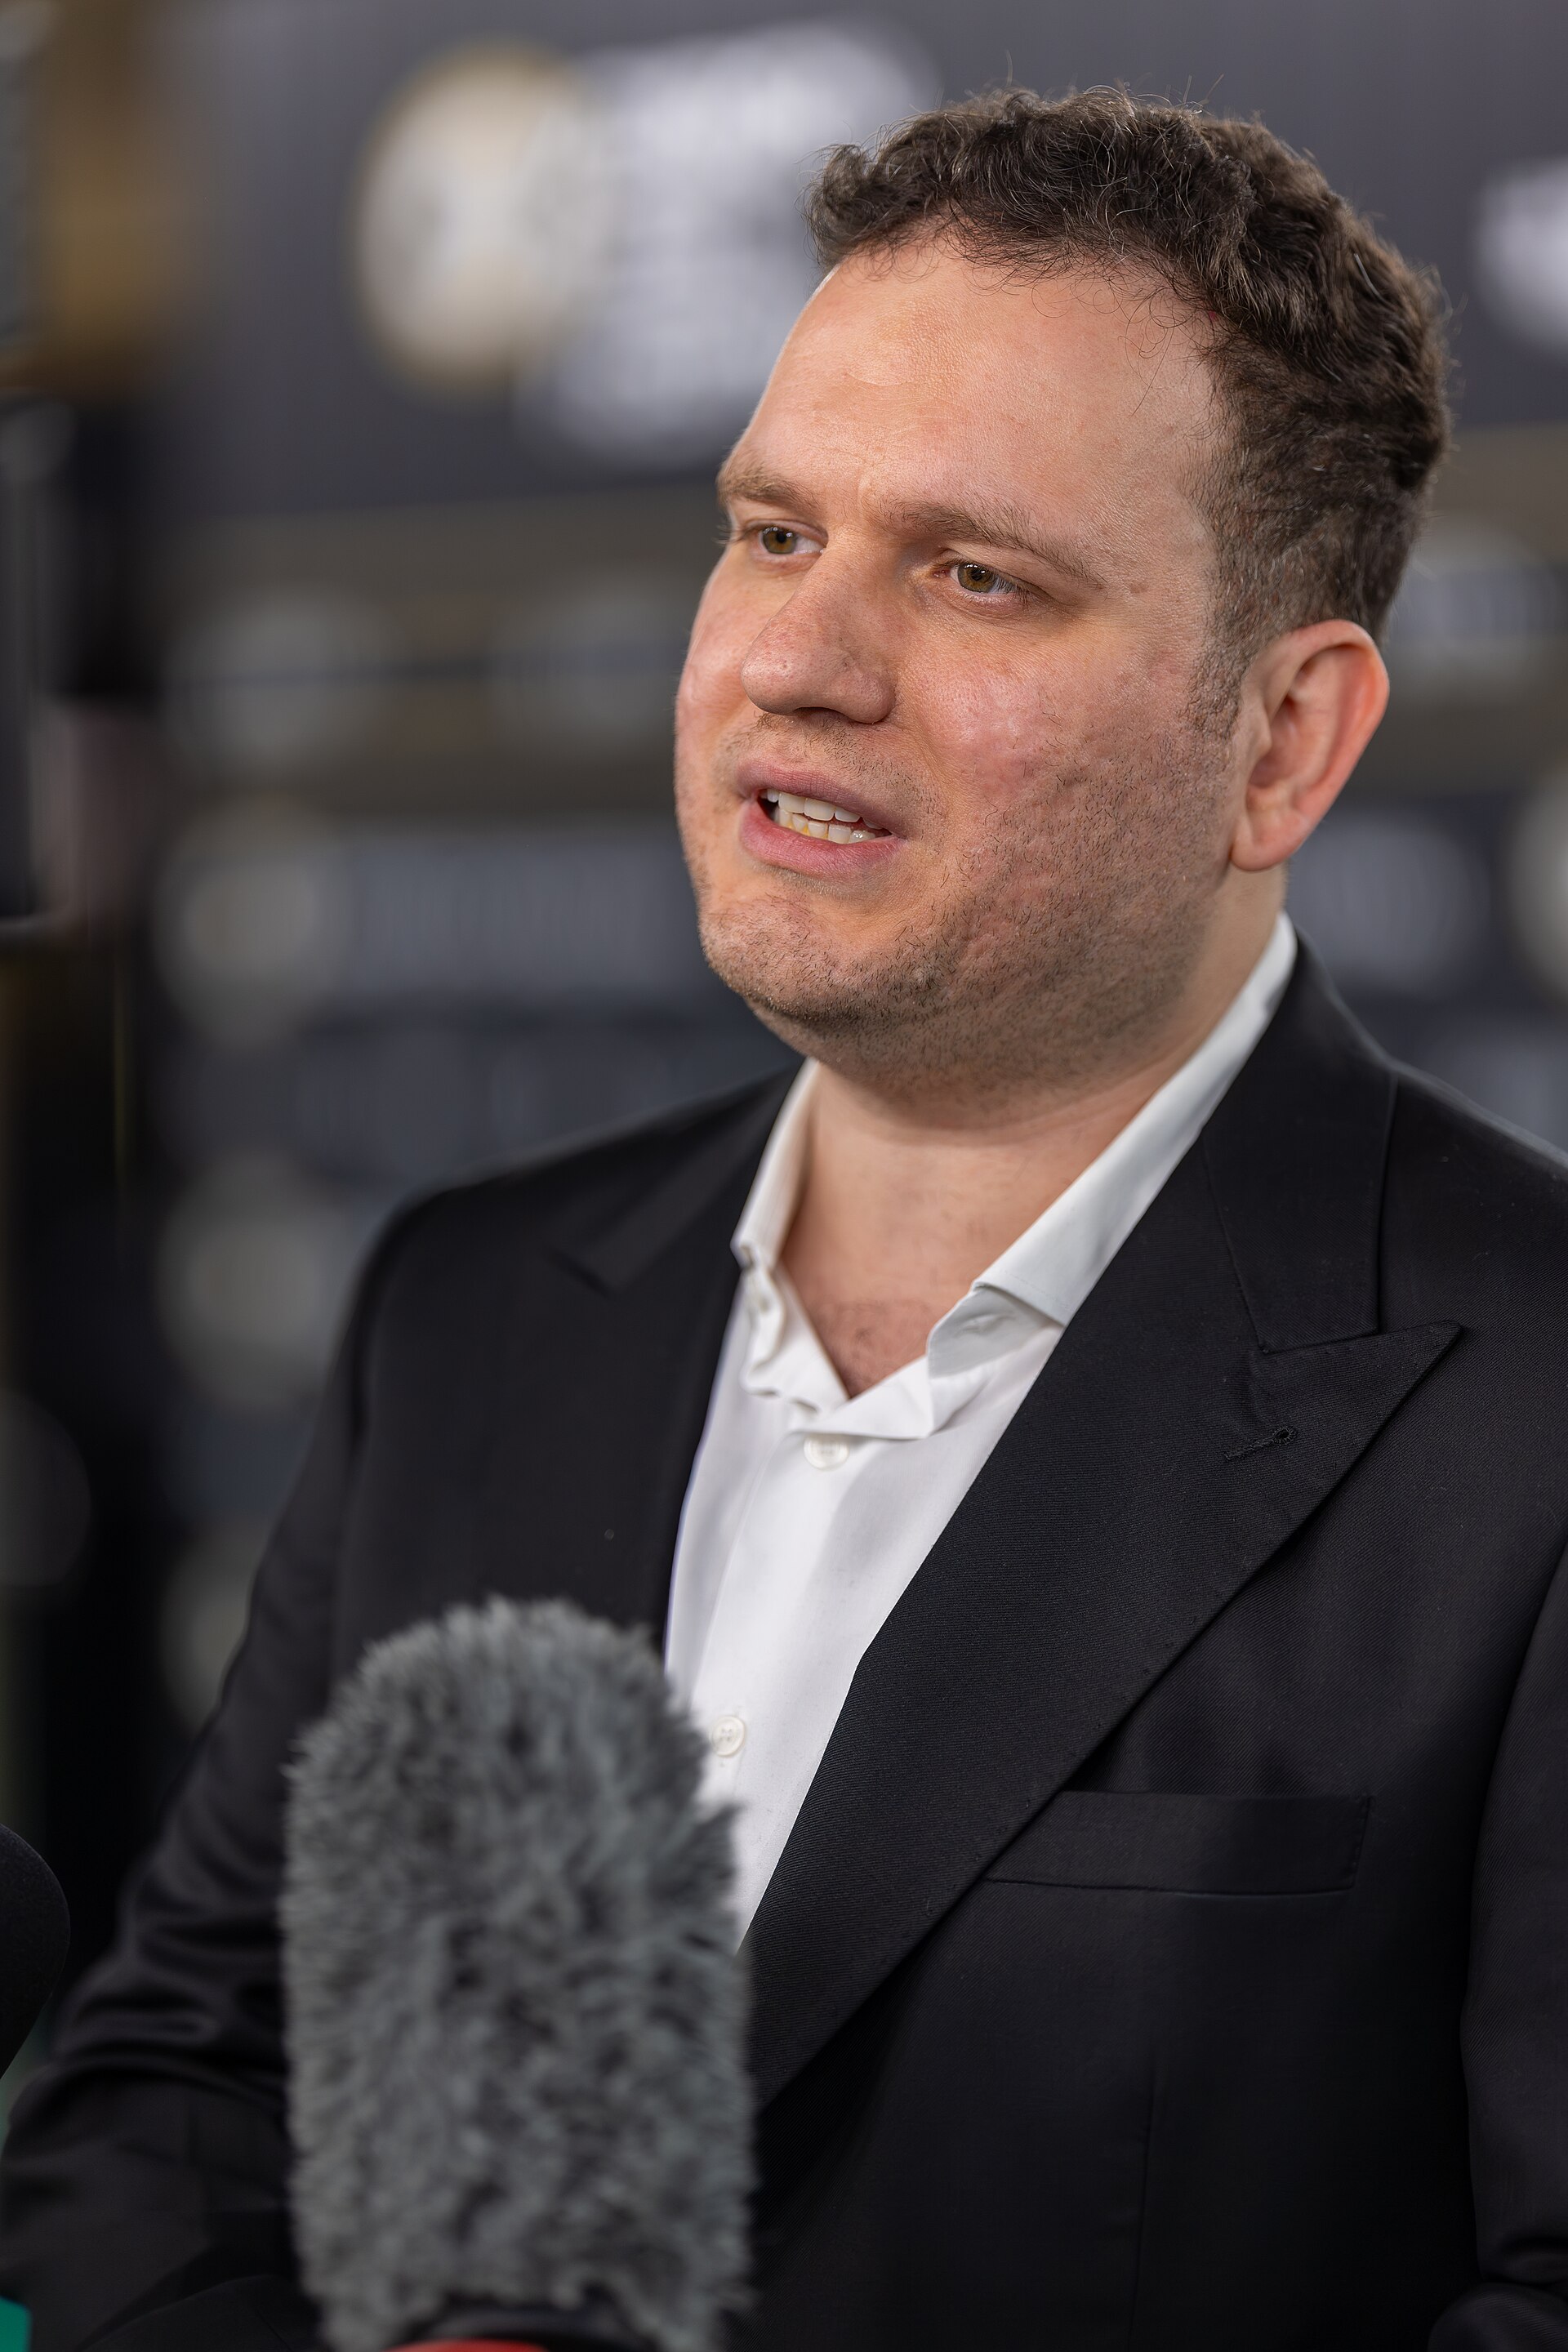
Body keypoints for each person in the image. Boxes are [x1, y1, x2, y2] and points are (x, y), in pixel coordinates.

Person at [4, 87, 1567, 2352]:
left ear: (1285, 744)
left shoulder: (1531, 1411)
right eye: (769, 532)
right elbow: (175, 2097)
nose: (796, 661)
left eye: (975, 573)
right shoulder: (470, 1309)